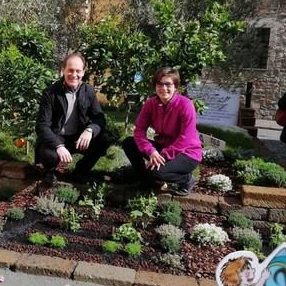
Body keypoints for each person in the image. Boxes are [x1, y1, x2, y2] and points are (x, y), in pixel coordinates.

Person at [121, 67, 202, 196]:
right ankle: (147, 181)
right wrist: (151, 151)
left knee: (156, 172)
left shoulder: (185, 105)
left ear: (175, 87)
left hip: (187, 153)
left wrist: (163, 156)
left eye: (168, 84)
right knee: (129, 143)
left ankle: (187, 179)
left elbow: (185, 138)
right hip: (163, 147)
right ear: (155, 86)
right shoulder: (150, 104)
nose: (164, 88)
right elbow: (139, 130)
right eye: (160, 84)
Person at [35, 52, 111, 185]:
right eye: (70, 70)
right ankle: (50, 172)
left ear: (83, 72)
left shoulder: (88, 91)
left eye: (78, 71)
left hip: (78, 137)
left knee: (103, 139)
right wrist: (58, 145)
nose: (74, 75)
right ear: (63, 70)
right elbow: (42, 126)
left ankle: (81, 171)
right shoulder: (50, 93)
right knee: (49, 155)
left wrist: (90, 130)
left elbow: (99, 119)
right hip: (56, 136)